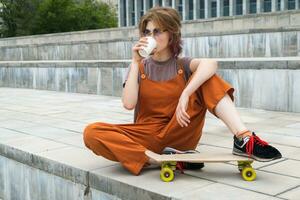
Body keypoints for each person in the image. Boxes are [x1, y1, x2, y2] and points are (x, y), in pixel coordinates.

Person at [83, 7, 281, 175]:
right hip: (148, 136)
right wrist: (135, 62)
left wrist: (186, 93)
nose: (150, 37)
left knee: (206, 77)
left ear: (171, 35)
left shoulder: (182, 64)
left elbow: (211, 63)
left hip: (180, 131)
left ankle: (243, 139)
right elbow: (128, 104)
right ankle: (158, 160)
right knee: (92, 132)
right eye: (147, 32)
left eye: (157, 31)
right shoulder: (139, 67)